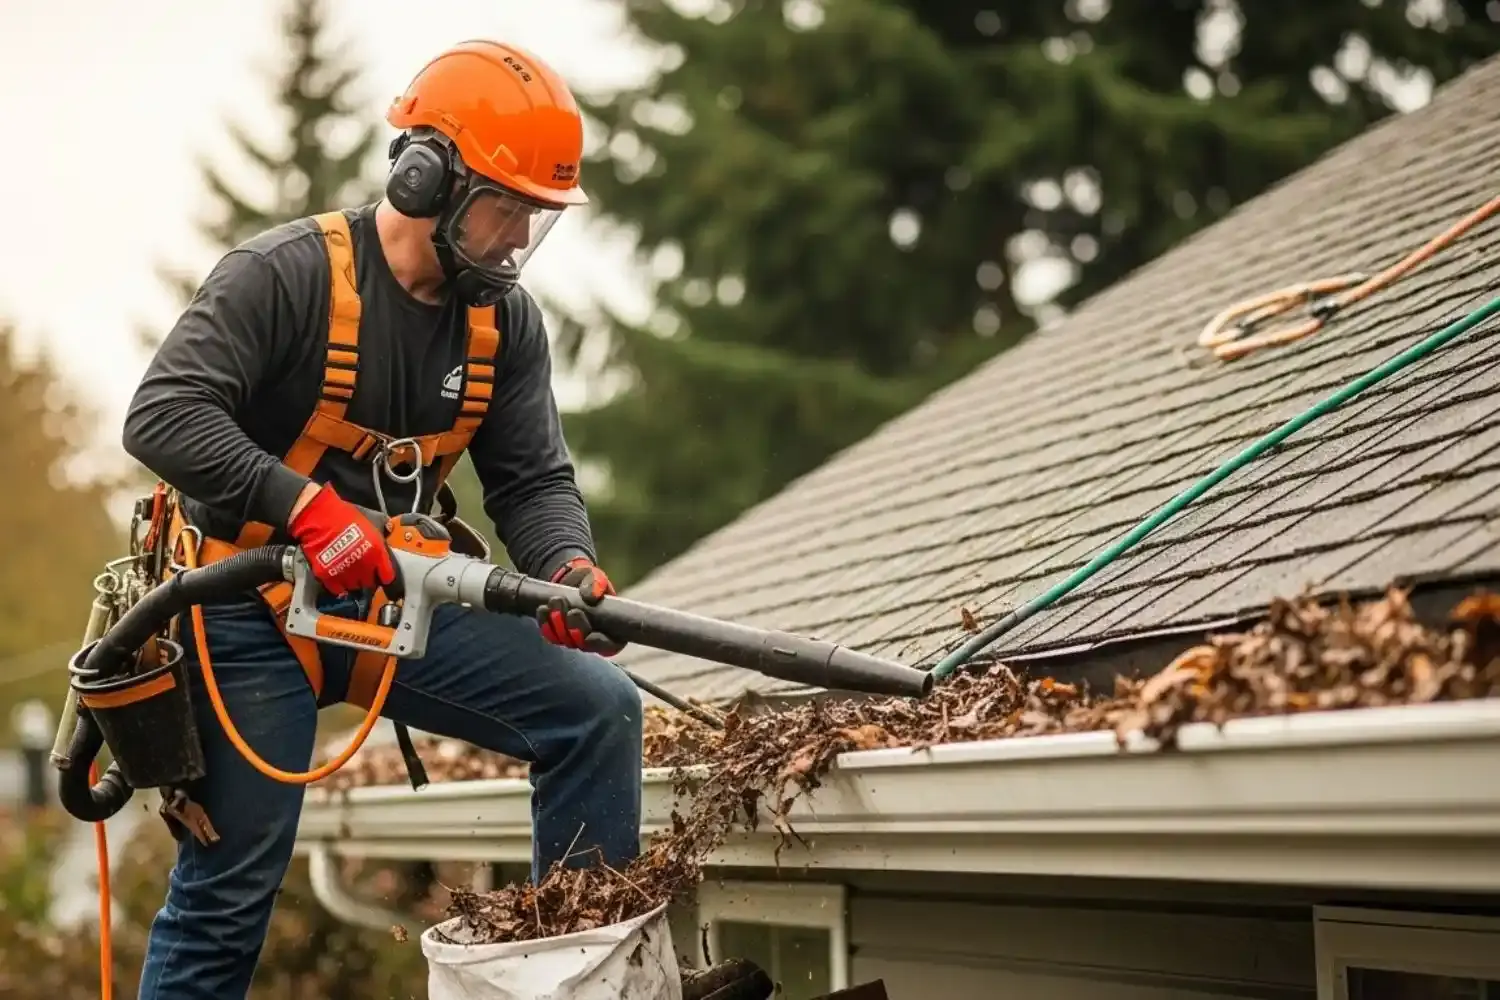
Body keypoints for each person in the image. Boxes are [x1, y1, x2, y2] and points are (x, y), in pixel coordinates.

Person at [121, 39, 654, 1000]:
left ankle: (583, 982)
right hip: (243, 609)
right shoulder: (283, 276)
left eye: (537, 220)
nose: (517, 241)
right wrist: (306, 509)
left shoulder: (505, 324)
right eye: (505, 210)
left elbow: (532, 481)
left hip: (391, 599)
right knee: (232, 887)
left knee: (596, 710)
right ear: (426, 177)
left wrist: (567, 567)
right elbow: (161, 414)